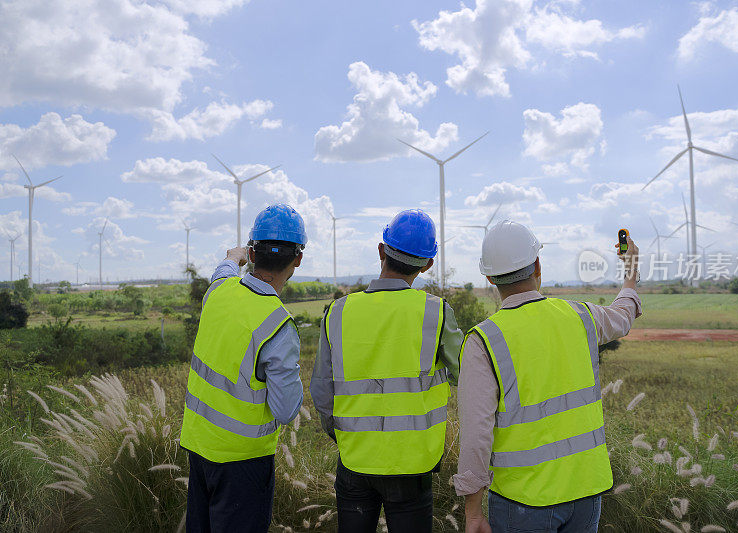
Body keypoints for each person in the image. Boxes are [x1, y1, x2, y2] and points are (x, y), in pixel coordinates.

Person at [455, 221, 642, 533]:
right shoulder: (580, 316)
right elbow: (623, 317)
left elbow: (476, 435)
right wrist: (631, 269)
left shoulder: (483, 341)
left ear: (488, 277)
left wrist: (473, 511)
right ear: (537, 265)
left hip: (523, 500)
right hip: (586, 490)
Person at [311, 209, 464, 533]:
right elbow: (466, 373)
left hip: (354, 460)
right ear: (427, 265)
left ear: (381, 250)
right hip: (414, 463)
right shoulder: (436, 312)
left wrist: (343, 435)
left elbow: (321, 390)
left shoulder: (338, 312)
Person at [179, 204, 307, 533]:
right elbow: (285, 410)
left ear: (252, 253)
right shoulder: (278, 325)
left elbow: (222, 270)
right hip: (243, 465)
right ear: (298, 259)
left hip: (199, 449)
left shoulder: (219, 291)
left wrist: (233, 257)